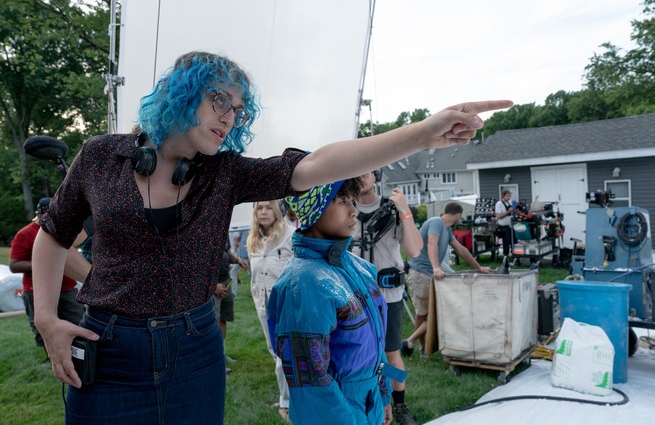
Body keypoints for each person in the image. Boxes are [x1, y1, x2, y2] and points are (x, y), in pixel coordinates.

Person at [31, 50, 511, 424]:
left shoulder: (226, 174)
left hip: (195, 351)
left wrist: (424, 134)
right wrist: (49, 320)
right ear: (181, 93)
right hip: (110, 351)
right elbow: (51, 236)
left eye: (238, 109)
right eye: (219, 100)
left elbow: (318, 165)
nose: (229, 117)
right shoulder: (100, 157)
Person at [268, 178, 396, 425]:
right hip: (340, 413)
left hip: (369, 405)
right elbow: (311, 382)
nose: (353, 211)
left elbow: (377, 347)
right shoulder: (304, 284)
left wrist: (383, 395)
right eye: (341, 202)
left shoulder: (361, 268)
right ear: (312, 209)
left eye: (352, 200)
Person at [352, 172, 422, 425]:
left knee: (390, 353)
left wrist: (405, 210)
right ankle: (365, 400)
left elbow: (414, 250)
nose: (361, 176)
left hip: (387, 297)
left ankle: (399, 403)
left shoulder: (391, 210)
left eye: (367, 171)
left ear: (377, 175)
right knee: (357, 353)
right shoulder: (342, 207)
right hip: (353, 297)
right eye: (356, 170)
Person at [401, 202, 491, 357]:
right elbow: (431, 242)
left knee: (426, 313)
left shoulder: (447, 229)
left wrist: (479, 267)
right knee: (430, 313)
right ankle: (416, 345)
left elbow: (461, 250)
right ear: (457, 215)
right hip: (421, 274)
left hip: (427, 274)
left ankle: (417, 346)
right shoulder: (436, 222)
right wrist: (436, 267)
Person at [9, 198, 88, 351]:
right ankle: (52, 356)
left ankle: (80, 354)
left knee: (77, 321)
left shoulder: (67, 228)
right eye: (45, 215)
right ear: (38, 213)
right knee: (46, 329)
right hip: (36, 289)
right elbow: (14, 265)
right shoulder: (25, 233)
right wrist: (45, 261)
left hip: (66, 288)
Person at [246, 200, 294, 421]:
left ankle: (287, 403)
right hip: (262, 305)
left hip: (285, 305)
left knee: (283, 356)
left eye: (267, 208)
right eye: (259, 208)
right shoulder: (252, 240)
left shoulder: (290, 235)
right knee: (274, 351)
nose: (263, 212)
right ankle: (287, 395)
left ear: (277, 210)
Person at [213, 241, 247, 373]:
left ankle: (221, 354)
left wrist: (237, 260)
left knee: (222, 320)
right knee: (212, 324)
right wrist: (213, 286)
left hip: (225, 282)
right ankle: (215, 360)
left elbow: (226, 251)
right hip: (212, 287)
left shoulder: (222, 225)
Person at [495, 190, 515, 257]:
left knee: (513, 241)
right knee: (506, 243)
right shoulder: (499, 204)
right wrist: (508, 212)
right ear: (503, 196)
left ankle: (514, 256)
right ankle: (505, 257)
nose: (509, 197)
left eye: (510, 196)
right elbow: (498, 216)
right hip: (503, 227)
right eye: (507, 196)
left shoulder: (509, 203)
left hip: (510, 226)